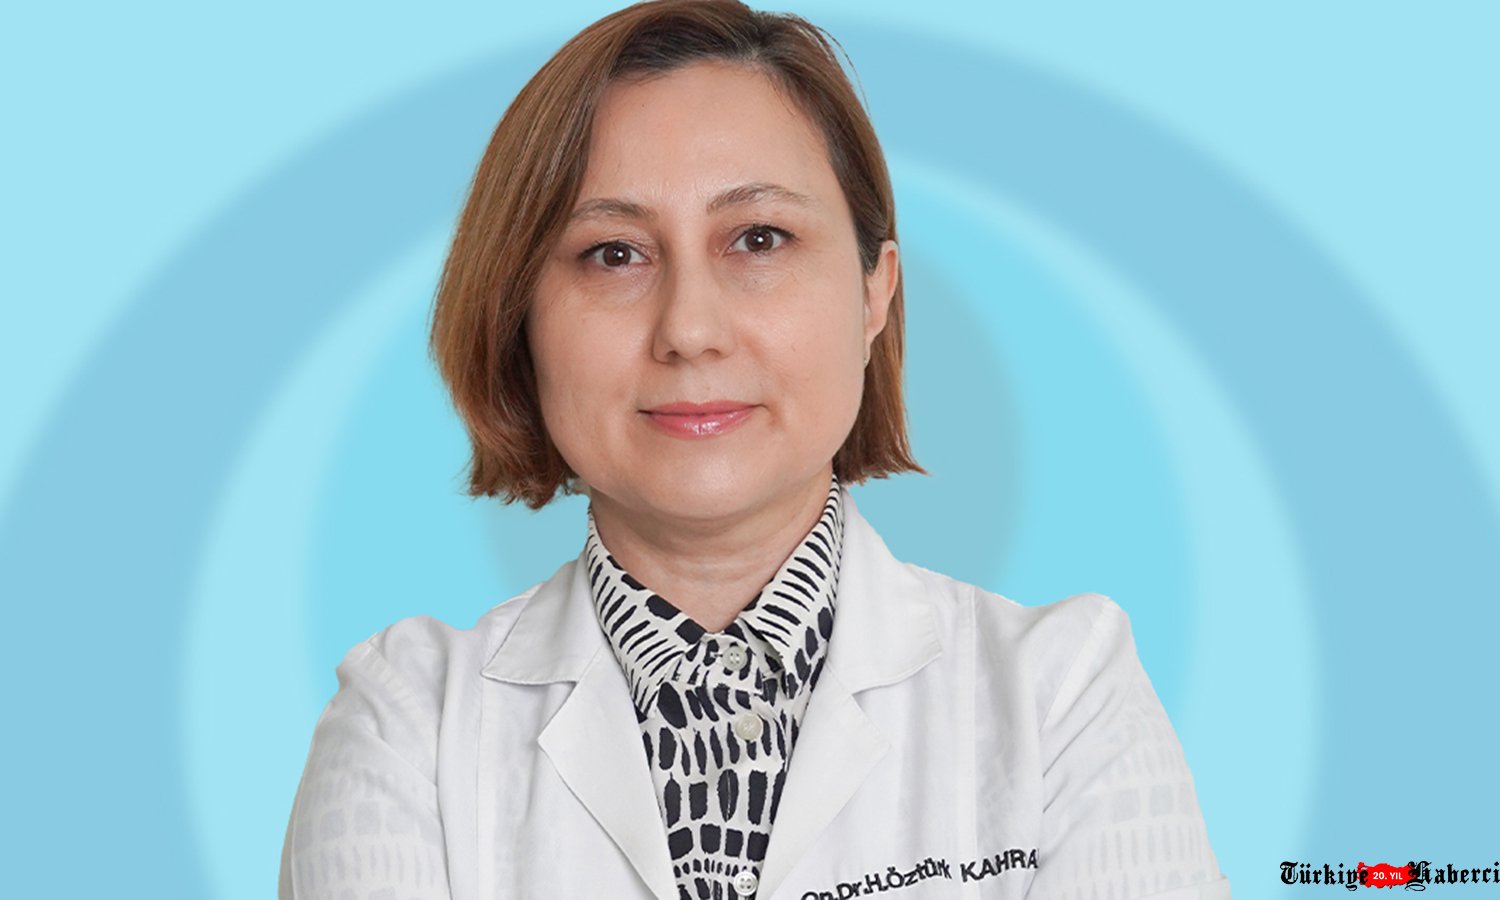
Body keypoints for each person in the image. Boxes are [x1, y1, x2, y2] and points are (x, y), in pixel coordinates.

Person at [277, 1, 1231, 898]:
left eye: (760, 239)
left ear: (874, 293)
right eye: (613, 253)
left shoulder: (1063, 693)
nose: (690, 330)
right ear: (519, 315)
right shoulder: (407, 722)